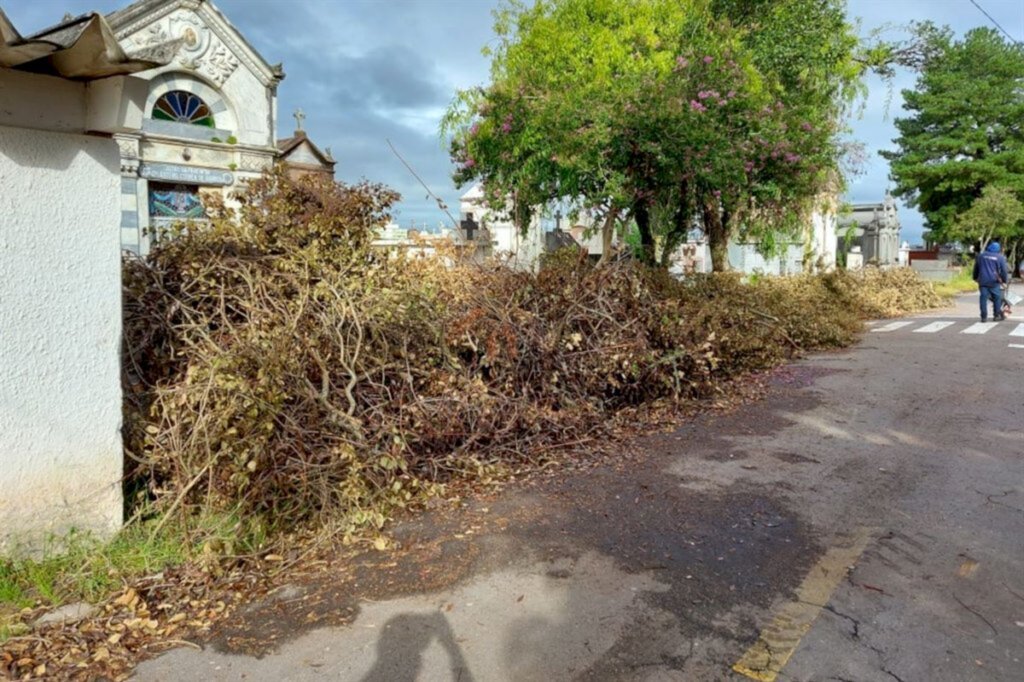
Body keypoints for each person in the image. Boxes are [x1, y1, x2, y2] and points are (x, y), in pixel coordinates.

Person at [972, 242, 1010, 322]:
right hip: (994, 282)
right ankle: (996, 316)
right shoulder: (1000, 257)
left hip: (983, 281)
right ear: (998, 249)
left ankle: (983, 317)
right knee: (997, 298)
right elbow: (1003, 271)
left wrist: (975, 277)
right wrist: (1004, 281)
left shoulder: (981, 256)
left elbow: (976, 268)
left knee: (983, 298)